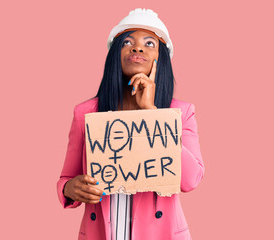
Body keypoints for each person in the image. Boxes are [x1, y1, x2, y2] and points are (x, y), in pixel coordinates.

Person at [56, 8, 204, 240]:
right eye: (127, 41)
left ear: (161, 60)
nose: (137, 48)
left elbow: (190, 180)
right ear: (115, 54)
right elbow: (66, 178)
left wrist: (152, 114)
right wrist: (71, 188)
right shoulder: (85, 113)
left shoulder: (181, 112)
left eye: (149, 43)